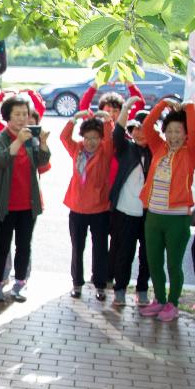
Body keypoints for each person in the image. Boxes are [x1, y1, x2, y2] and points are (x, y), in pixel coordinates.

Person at [139, 100, 195, 322]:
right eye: (169, 131)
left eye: (179, 131)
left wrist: (189, 109)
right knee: (153, 261)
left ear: (186, 134)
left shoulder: (191, 151)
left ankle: (172, 303)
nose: (174, 135)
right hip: (153, 216)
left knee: (174, 264)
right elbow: (148, 126)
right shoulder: (159, 148)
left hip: (177, 218)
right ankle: (158, 299)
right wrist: (163, 104)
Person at [0, 94, 49, 303]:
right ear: (7, 116)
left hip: (28, 204)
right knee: (1, 246)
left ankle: (20, 284)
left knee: (24, 246)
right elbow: (0, 160)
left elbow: (42, 161)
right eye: (17, 114)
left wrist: (43, 143)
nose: (22, 118)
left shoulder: (31, 138)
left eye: (25, 114)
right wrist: (19, 142)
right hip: (5, 204)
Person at [59, 111, 115, 300]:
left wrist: (107, 120)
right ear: (82, 137)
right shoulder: (77, 149)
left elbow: (111, 137)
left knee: (100, 248)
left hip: (99, 209)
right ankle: (77, 283)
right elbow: (63, 137)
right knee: (77, 247)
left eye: (95, 138)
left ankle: (100, 285)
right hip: (77, 208)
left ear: (100, 138)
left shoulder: (105, 150)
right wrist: (74, 119)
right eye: (88, 137)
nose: (91, 142)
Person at [109, 109, 152, 307]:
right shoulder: (126, 148)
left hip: (149, 213)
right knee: (123, 252)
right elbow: (117, 135)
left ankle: (142, 289)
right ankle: (120, 289)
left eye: (145, 129)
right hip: (125, 211)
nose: (140, 132)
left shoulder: (157, 150)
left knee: (147, 254)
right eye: (135, 128)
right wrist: (125, 109)